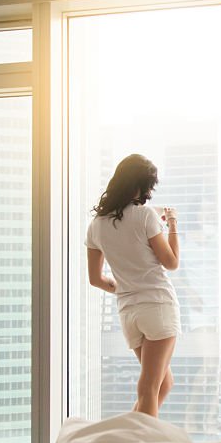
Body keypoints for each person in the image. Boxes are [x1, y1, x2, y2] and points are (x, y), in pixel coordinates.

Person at [85, 154, 180, 417]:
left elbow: (96, 279)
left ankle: (126, 436)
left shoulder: (96, 225)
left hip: (129, 312)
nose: (149, 193)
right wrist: (172, 223)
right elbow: (171, 262)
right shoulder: (145, 216)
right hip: (158, 306)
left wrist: (126, 287)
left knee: (164, 383)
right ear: (140, 184)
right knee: (150, 386)